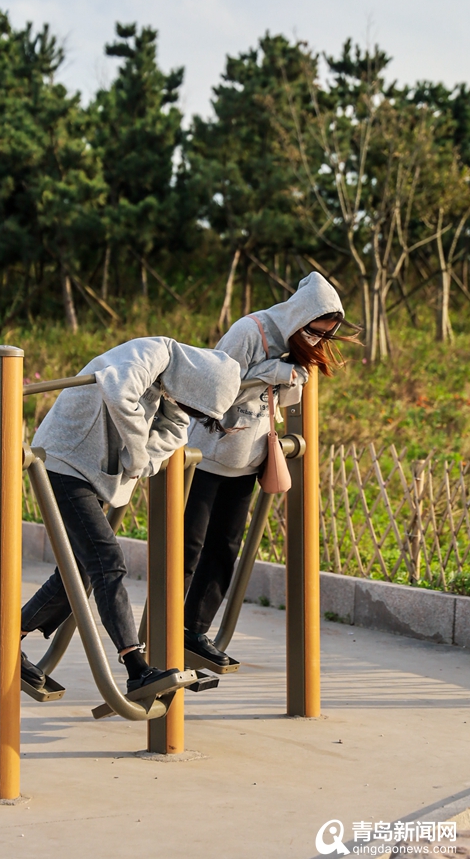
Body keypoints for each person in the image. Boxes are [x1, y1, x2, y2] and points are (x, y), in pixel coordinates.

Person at [19, 335, 241, 694]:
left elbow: (175, 431)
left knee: (79, 573)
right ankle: (136, 666)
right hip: (63, 460)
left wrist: (144, 458)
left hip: (93, 472)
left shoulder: (173, 384)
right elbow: (120, 393)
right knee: (108, 562)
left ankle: (6, 640)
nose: (185, 408)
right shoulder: (151, 354)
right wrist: (137, 456)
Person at [183, 271, 350, 667]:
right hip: (205, 456)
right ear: (300, 316)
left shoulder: (299, 347)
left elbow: (284, 401)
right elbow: (212, 388)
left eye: (325, 336)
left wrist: (293, 378)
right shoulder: (249, 330)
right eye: (314, 332)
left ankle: (194, 632)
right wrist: (269, 373)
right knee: (186, 549)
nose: (317, 342)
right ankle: (162, 634)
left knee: (224, 550)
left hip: (247, 461)